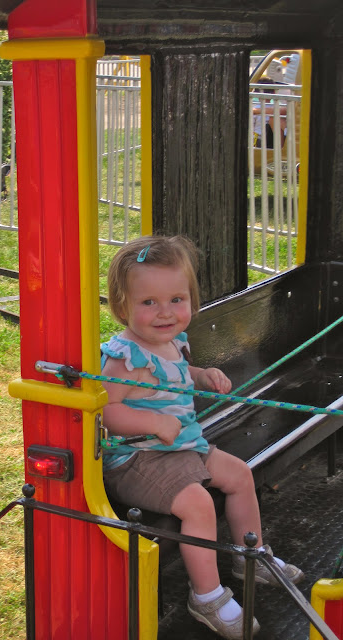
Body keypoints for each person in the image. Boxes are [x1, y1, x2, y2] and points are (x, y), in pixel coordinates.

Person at [101, 235, 304, 639]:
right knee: (198, 504)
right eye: (149, 302)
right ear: (123, 308)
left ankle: (251, 557)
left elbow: (178, 375)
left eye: (176, 299)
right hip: (138, 460)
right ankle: (206, 596)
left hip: (182, 447)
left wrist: (203, 376)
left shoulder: (173, 342)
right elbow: (106, 411)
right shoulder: (125, 359)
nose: (165, 312)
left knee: (239, 474)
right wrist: (152, 423)